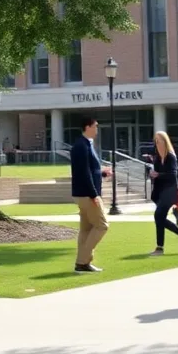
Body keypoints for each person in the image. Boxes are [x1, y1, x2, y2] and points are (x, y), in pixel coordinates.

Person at [69, 117, 111, 273]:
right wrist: (94, 195)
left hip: (83, 193)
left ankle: (82, 264)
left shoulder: (86, 145)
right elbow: (84, 173)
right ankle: (83, 260)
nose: (97, 129)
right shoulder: (81, 146)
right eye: (95, 126)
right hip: (87, 194)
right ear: (87, 127)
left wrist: (102, 174)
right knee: (102, 225)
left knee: (86, 229)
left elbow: (90, 171)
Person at [147, 130, 178, 255]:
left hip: (170, 192)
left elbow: (172, 175)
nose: (157, 143)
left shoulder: (171, 157)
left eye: (159, 140)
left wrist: (158, 174)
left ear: (165, 142)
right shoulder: (157, 158)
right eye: (156, 141)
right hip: (161, 193)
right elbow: (157, 176)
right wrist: (152, 175)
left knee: (158, 216)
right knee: (160, 218)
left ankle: (160, 248)